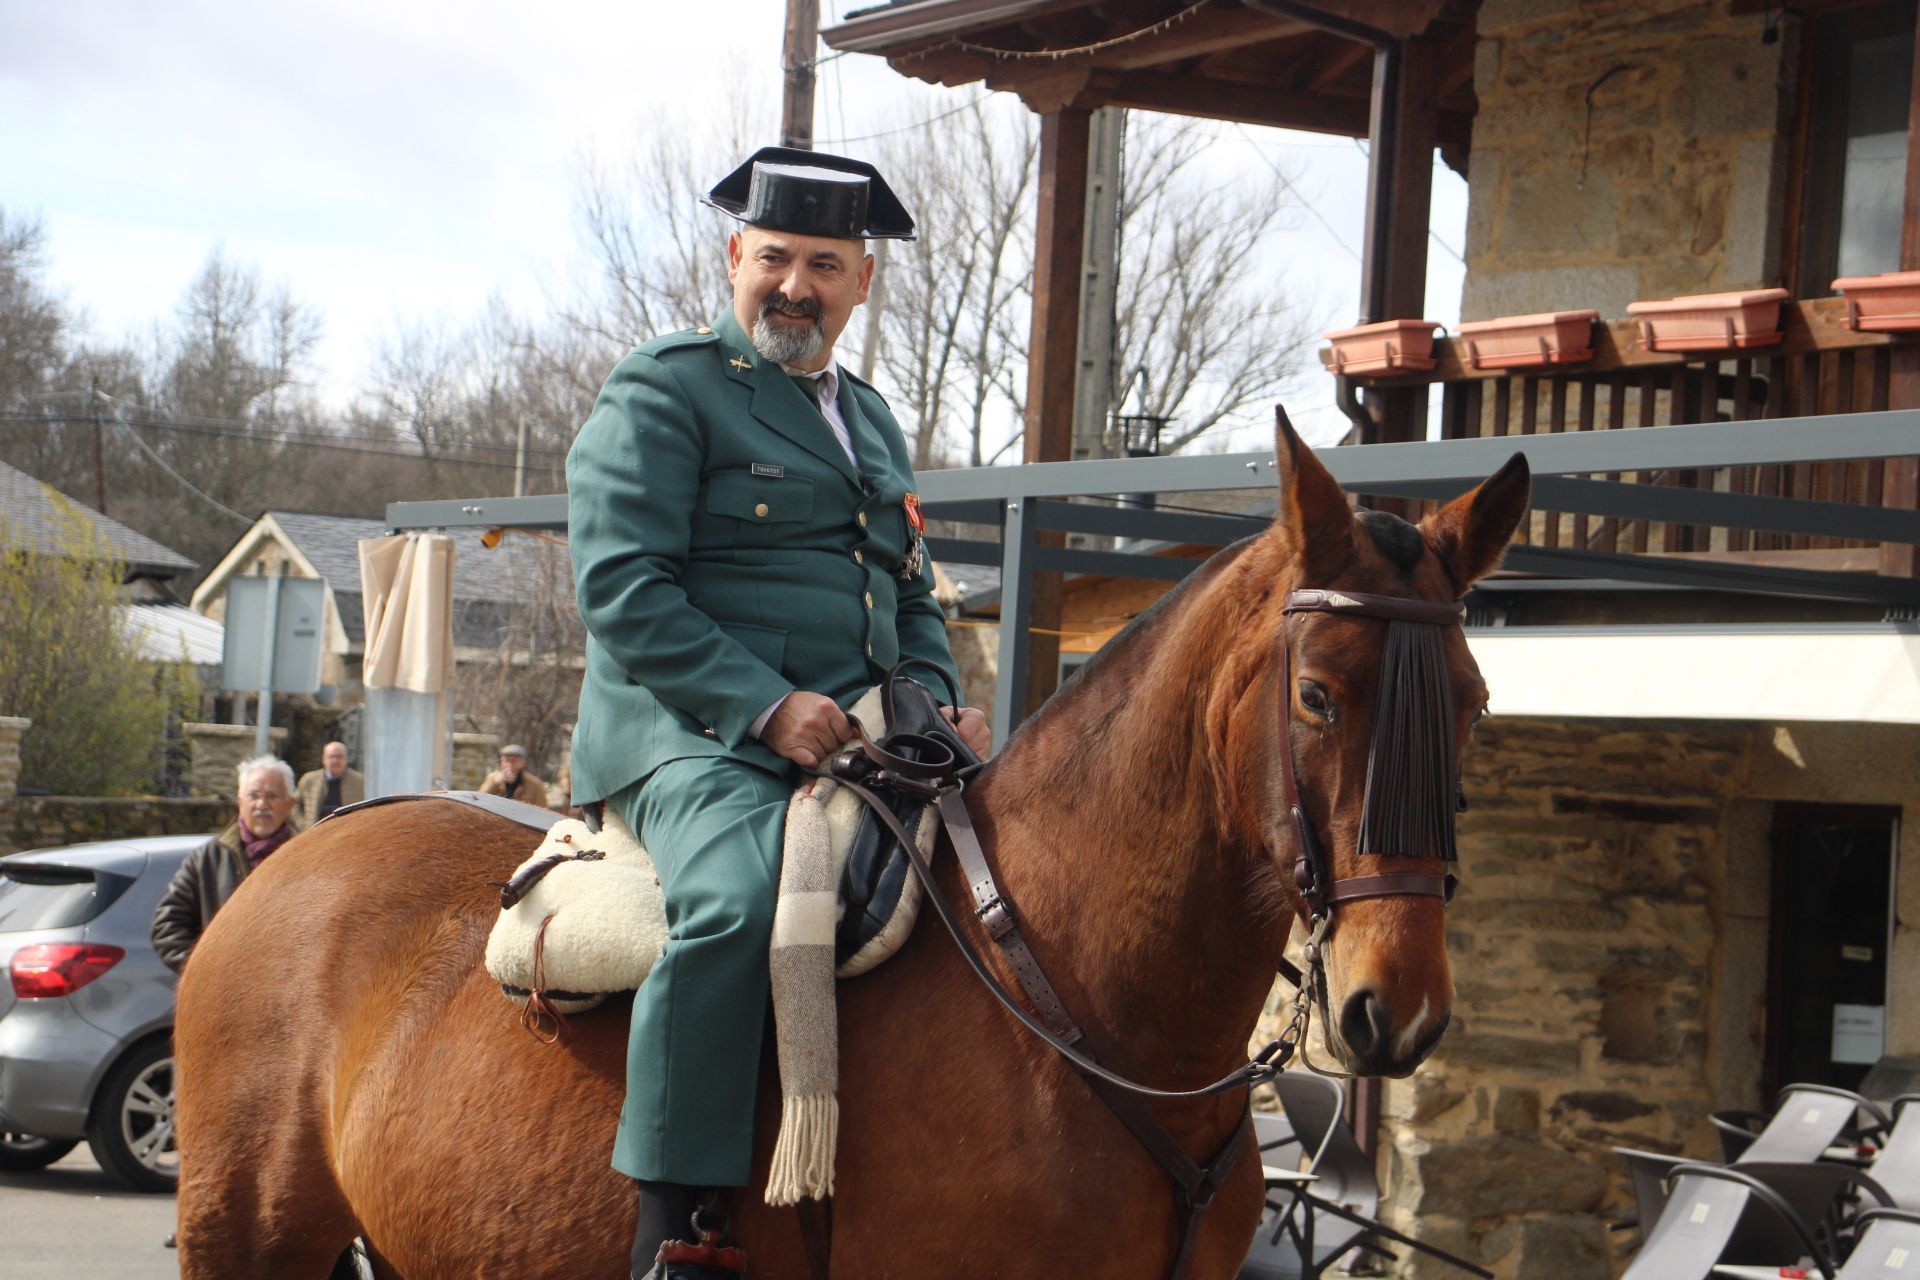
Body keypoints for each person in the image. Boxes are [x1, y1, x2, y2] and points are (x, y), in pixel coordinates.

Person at [567, 146, 989, 1279]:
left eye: (822, 264)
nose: (793, 286)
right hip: (689, 734)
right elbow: (621, 588)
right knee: (741, 899)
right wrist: (764, 707)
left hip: (861, 733)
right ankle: (679, 1223)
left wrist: (934, 701)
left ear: (863, 283)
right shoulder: (667, 384)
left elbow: (906, 589)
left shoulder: (876, 419)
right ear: (733, 260)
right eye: (773, 259)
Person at [150, 756, 298, 975]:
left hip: (291, 995)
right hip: (226, 1001)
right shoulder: (206, 859)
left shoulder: (308, 857)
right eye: (254, 795)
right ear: (240, 801)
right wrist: (207, 974)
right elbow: (167, 927)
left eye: (272, 796)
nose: (262, 804)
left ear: (290, 804)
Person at [294, 739, 363, 828]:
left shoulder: (359, 781)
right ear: (323, 759)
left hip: (348, 832)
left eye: (339, 756)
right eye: (331, 756)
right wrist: (303, 825)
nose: (335, 761)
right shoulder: (309, 780)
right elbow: (294, 804)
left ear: (346, 759)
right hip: (315, 834)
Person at [479, 743, 549, 808]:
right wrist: (495, 783)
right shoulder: (492, 778)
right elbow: (479, 799)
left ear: (523, 763)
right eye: (506, 761)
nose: (509, 765)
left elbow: (543, 808)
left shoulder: (534, 784)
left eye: (514, 761)